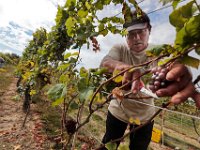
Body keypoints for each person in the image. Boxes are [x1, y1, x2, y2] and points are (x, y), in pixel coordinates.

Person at [100, 10, 200, 150]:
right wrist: (126, 68)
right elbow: (105, 62)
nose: (136, 37)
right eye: (131, 34)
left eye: (141, 31)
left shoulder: (157, 52)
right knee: (108, 145)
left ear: (149, 31)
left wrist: (176, 67)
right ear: (125, 36)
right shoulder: (120, 48)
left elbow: (169, 62)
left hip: (145, 116)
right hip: (118, 110)